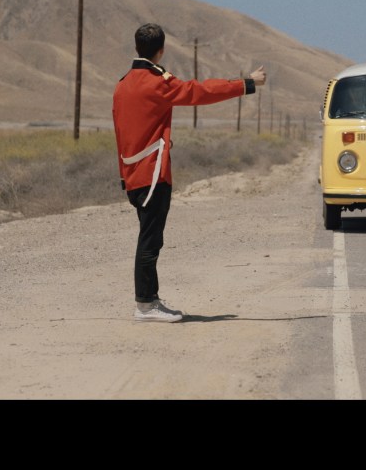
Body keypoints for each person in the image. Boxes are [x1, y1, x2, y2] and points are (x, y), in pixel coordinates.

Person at [112, 23, 266, 323]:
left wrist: (123, 176)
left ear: (136, 48)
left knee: (149, 239)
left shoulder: (122, 84)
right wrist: (247, 83)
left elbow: (120, 133)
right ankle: (145, 305)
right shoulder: (157, 82)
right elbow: (200, 92)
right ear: (161, 51)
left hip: (132, 173)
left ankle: (150, 300)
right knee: (150, 242)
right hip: (153, 173)